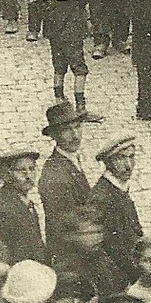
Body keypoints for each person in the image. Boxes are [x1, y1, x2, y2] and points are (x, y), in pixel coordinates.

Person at [35, 0, 103, 122]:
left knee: (59, 67)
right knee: (79, 69)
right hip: (72, 33)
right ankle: (81, 107)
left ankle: (59, 100)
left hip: (53, 33)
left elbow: (35, 4)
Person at [36, 103, 92, 260]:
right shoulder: (55, 175)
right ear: (54, 135)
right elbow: (68, 228)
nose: (75, 135)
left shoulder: (70, 159)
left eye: (77, 127)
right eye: (67, 130)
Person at [90, 135, 144, 291]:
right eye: (120, 159)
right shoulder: (102, 198)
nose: (128, 165)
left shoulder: (120, 189)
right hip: (121, 281)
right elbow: (108, 250)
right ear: (108, 162)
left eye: (131, 157)